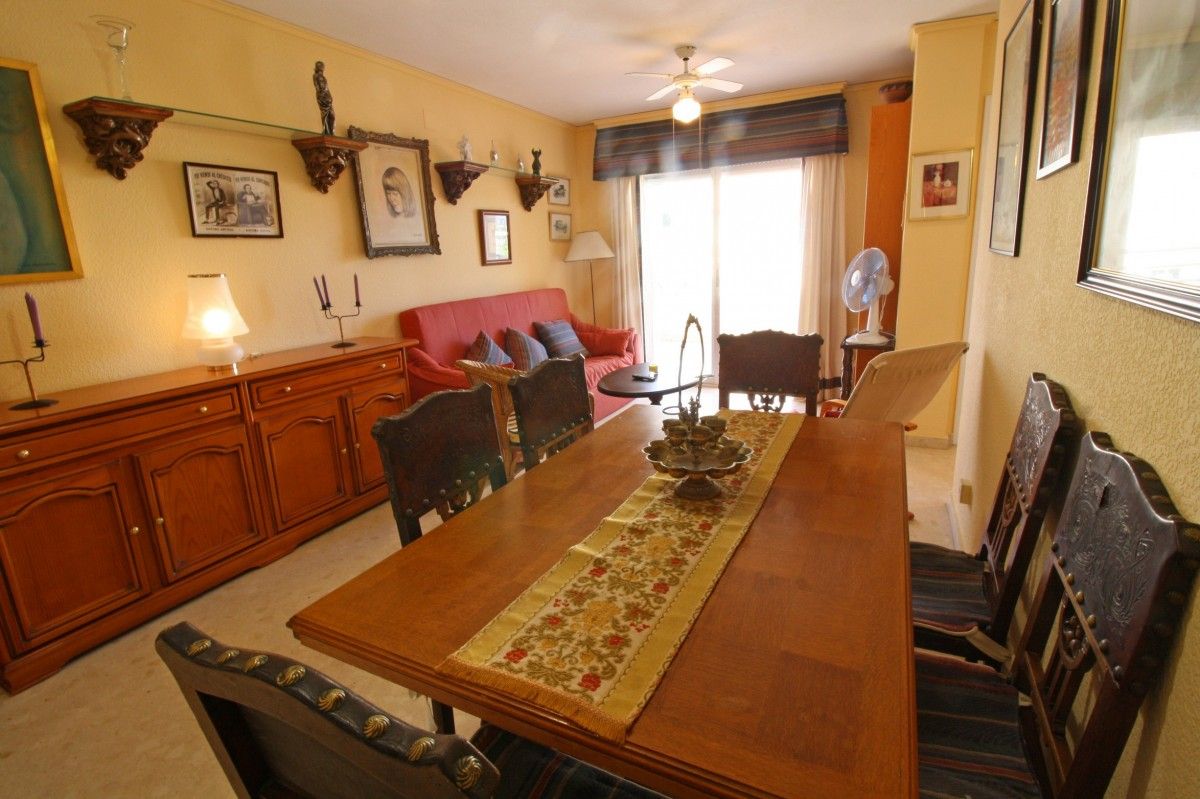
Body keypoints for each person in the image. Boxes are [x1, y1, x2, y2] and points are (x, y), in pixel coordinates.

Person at [313, 61, 335, 136]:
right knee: (325, 115)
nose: (321, 68)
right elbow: (321, 88)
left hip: (327, 98)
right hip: (322, 98)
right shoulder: (316, 76)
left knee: (332, 115)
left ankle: (331, 132)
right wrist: (324, 96)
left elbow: (326, 88)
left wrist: (330, 97)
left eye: (322, 66)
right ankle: (327, 132)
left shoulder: (322, 77)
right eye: (320, 66)